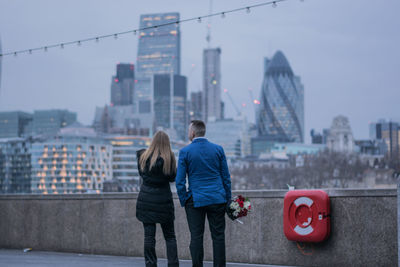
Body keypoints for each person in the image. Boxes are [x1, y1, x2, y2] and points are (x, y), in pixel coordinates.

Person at [176, 120, 232, 267]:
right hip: (217, 198)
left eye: (189, 131)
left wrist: (184, 200)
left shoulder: (185, 152)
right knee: (218, 237)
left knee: (196, 237)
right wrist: (227, 199)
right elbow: (226, 177)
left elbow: (180, 181)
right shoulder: (218, 149)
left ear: (193, 133)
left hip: (195, 200)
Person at [136, 131, 179, 267]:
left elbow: (142, 175)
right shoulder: (169, 159)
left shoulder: (142, 157)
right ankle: (173, 264)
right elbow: (172, 178)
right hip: (163, 201)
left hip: (146, 200)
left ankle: (150, 264)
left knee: (149, 237)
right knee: (170, 236)